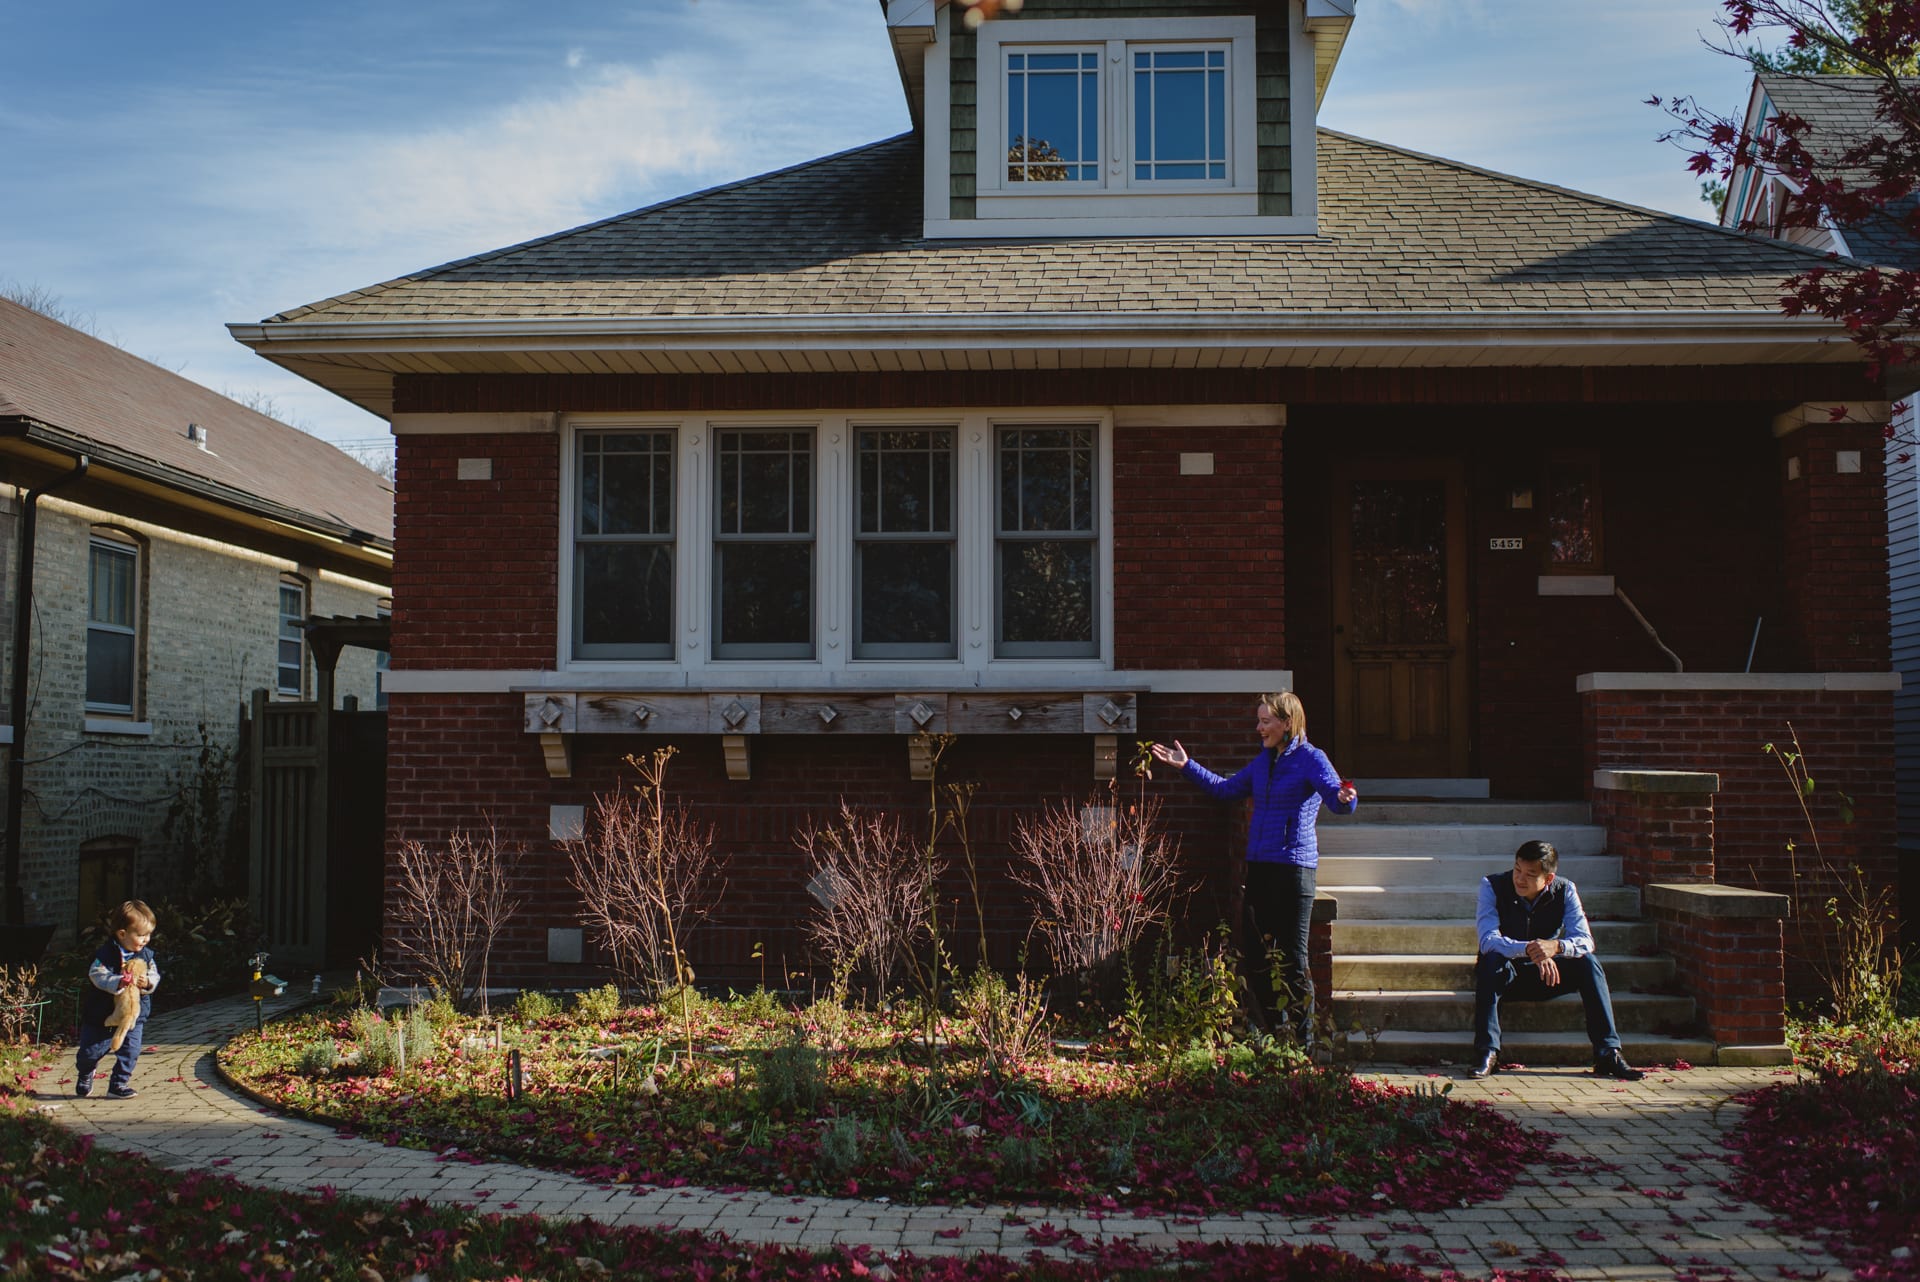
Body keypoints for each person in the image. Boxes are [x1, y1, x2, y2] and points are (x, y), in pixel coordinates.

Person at [1152, 692, 1357, 1046]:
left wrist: (1345, 799)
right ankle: (1275, 1034)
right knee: (1257, 954)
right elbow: (1225, 789)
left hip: (1294, 870)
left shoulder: (1311, 758)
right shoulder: (1263, 762)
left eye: (1266, 721)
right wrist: (1186, 765)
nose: (1258, 728)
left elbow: (1335, 797)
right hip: (1260, 867)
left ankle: (1303, 1043)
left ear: (1287, 723)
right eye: (1258, 720)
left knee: (1292, 957)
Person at [1470, 840, 1644, 1081]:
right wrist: (1532, 949)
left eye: (1530, 874)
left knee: (1588, 963)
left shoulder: (1565, 890)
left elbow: (1585, 940)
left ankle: (1608, 1052)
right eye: (1517, 869)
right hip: (1506, 974)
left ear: (1549, 879)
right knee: (1491, 960)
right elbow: (1488, 940)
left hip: (1548, 976)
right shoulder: (1493, 885)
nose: (1520, 879)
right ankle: (1487, 1052)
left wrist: (1556, 946)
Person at [75, 899, 162, 1100]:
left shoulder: (147, 956)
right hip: (102, 1013)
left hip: (132, 1015)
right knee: (90, 1051)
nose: (146, 939)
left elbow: (155, 975)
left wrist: (147, 982)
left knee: (130, 1050)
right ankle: (86, 1071)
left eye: (149, 934)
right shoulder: (106, 954)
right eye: (141, 935)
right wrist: (117, 982)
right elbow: (96, 974)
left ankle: (119, 1084)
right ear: (122, 934)